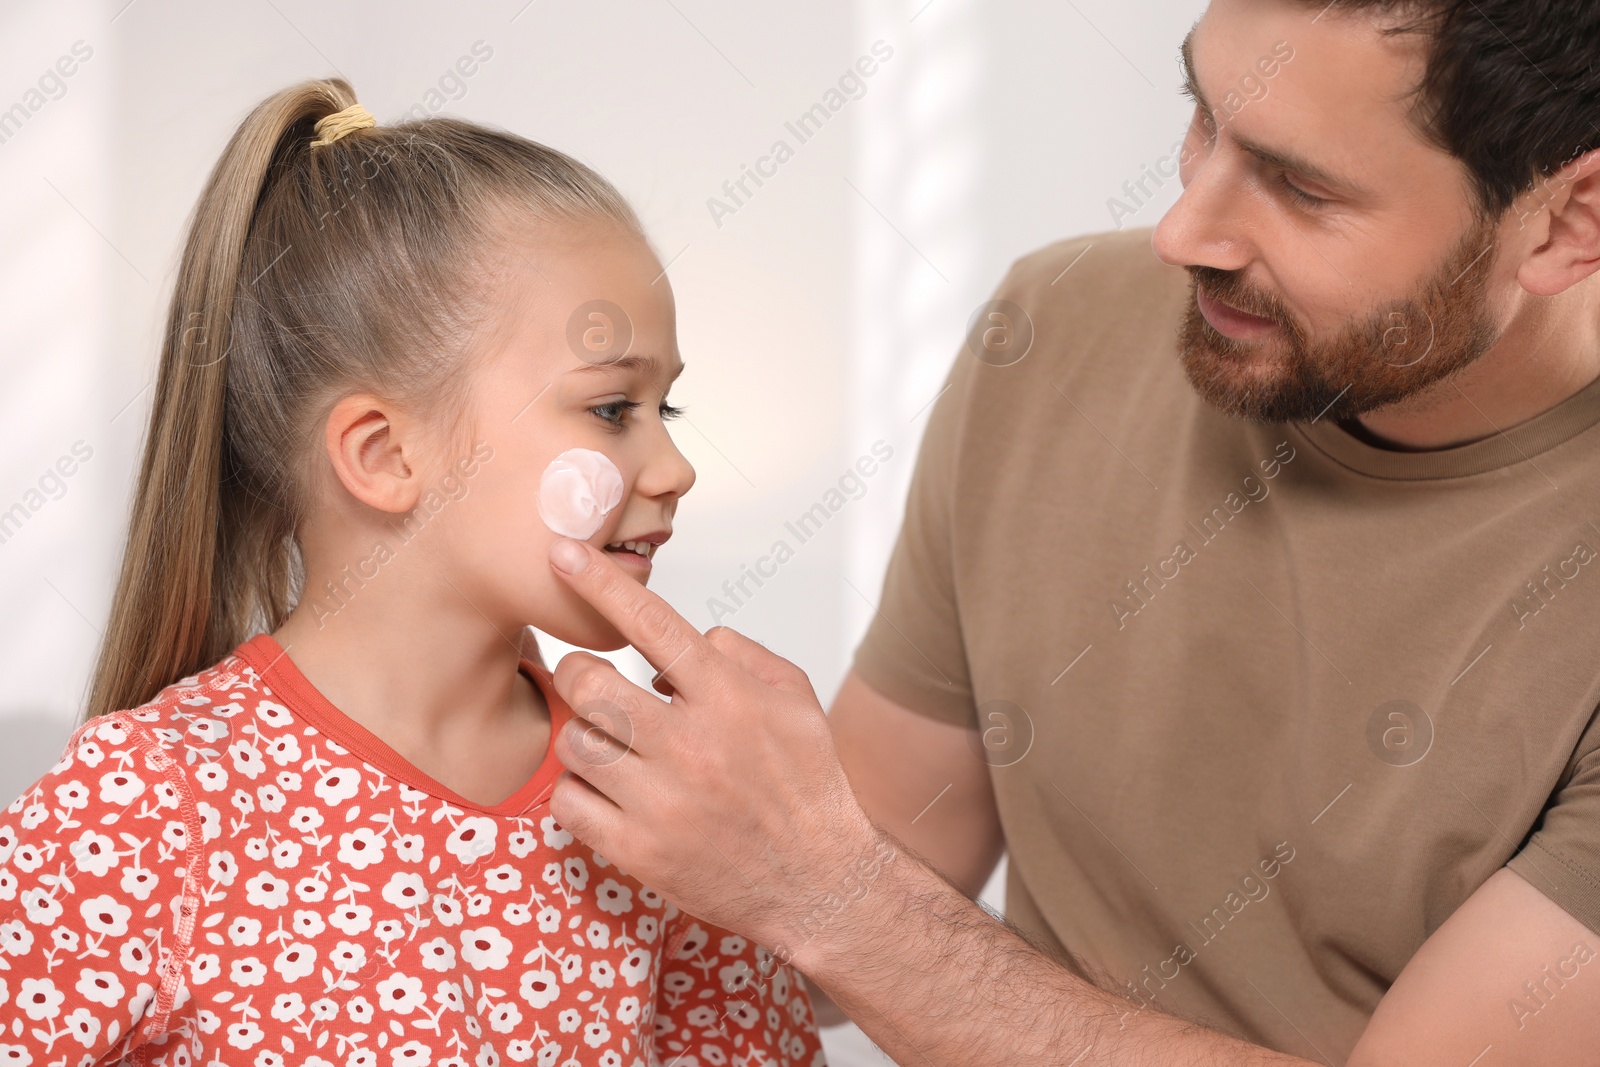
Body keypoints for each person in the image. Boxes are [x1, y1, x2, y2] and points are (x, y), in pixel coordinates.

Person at [532, 0, 1600, 1063]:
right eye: (1203, 117)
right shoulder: (1057, 323)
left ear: (1568, 222)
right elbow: (870, 855)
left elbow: (836, 898)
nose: (1182, 232)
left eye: (1301, 186)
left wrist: (832, 898)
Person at [0, 81, 824, 1067]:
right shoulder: (146, 803)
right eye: (611, 409)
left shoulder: (666, 807)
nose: (676, 469)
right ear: (386, 455)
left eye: (667, 410)